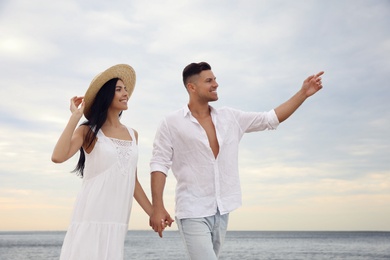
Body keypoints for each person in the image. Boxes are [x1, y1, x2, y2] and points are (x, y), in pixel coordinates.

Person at [149, 62, 324, 259]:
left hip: (222, 210)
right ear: (192, 87)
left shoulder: (230, 117)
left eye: (215, 79)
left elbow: (270, 119)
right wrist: (158, 207)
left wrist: (303, 94)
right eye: (209, 80)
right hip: (192, 210)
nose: (216, 84)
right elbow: (159, 164)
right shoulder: (171, 122)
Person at [51, 64, 157, 260]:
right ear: (105, 96)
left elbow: (131, 181)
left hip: (116, 222)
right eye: (119, 89)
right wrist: (75, 117)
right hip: (90, 219)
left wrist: (153, 212)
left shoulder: (133, 134)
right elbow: (58, 156)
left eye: (125, 89)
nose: (125, 93)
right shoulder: (88, 131)